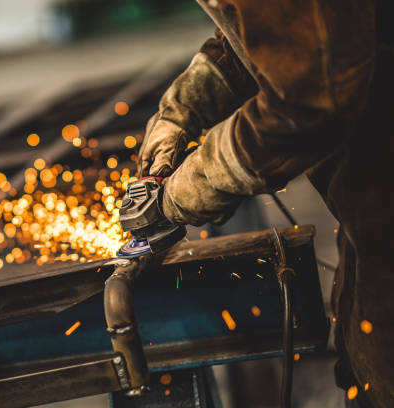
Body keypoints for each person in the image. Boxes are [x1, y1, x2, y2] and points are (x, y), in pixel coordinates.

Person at [138, 1, 394, 406]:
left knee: (382, 366)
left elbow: (308, 96)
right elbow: (281, 31)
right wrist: (187, 103)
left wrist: (201, 178)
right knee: (360, 348)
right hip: (372, 209)